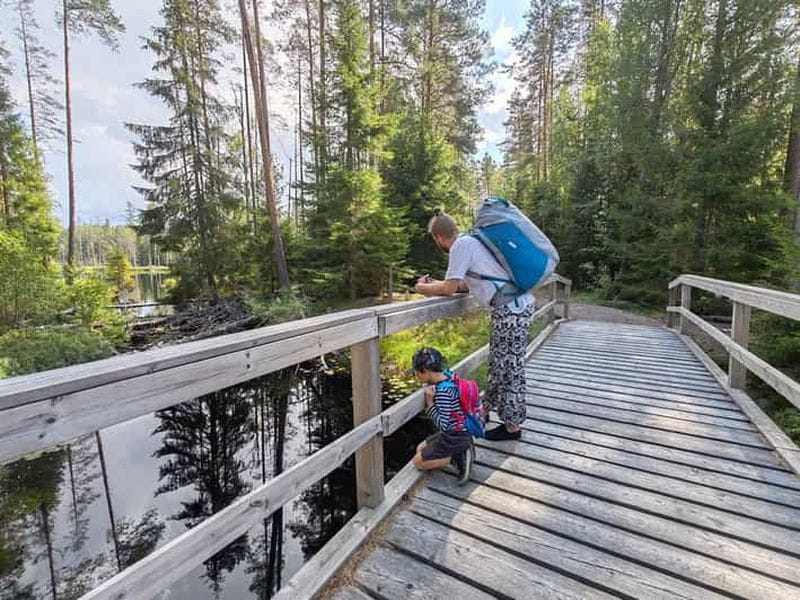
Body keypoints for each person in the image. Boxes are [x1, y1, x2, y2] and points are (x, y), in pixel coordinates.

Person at [415, 210, 534, 441]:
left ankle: (512, 428)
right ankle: (484, 411)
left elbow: (449, 288)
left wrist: (421, 288)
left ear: (438, 237)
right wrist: (435, 283)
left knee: (510, 368)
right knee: (499, 364)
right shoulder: (471, 241)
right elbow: (463, 285)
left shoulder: (460, 246)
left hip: (510, 310)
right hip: (513, 307)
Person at [411, 347, 474, 484]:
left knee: (417, 463)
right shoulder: (448, 376)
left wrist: (430, 403)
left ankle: (458, 457)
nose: (416, 376)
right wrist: (428, 382)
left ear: (425, 371)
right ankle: (461, 449)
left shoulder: (443, 392)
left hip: (454, 435)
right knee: (420, 448)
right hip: (461, 430)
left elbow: (443, 425)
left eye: (416, 372)